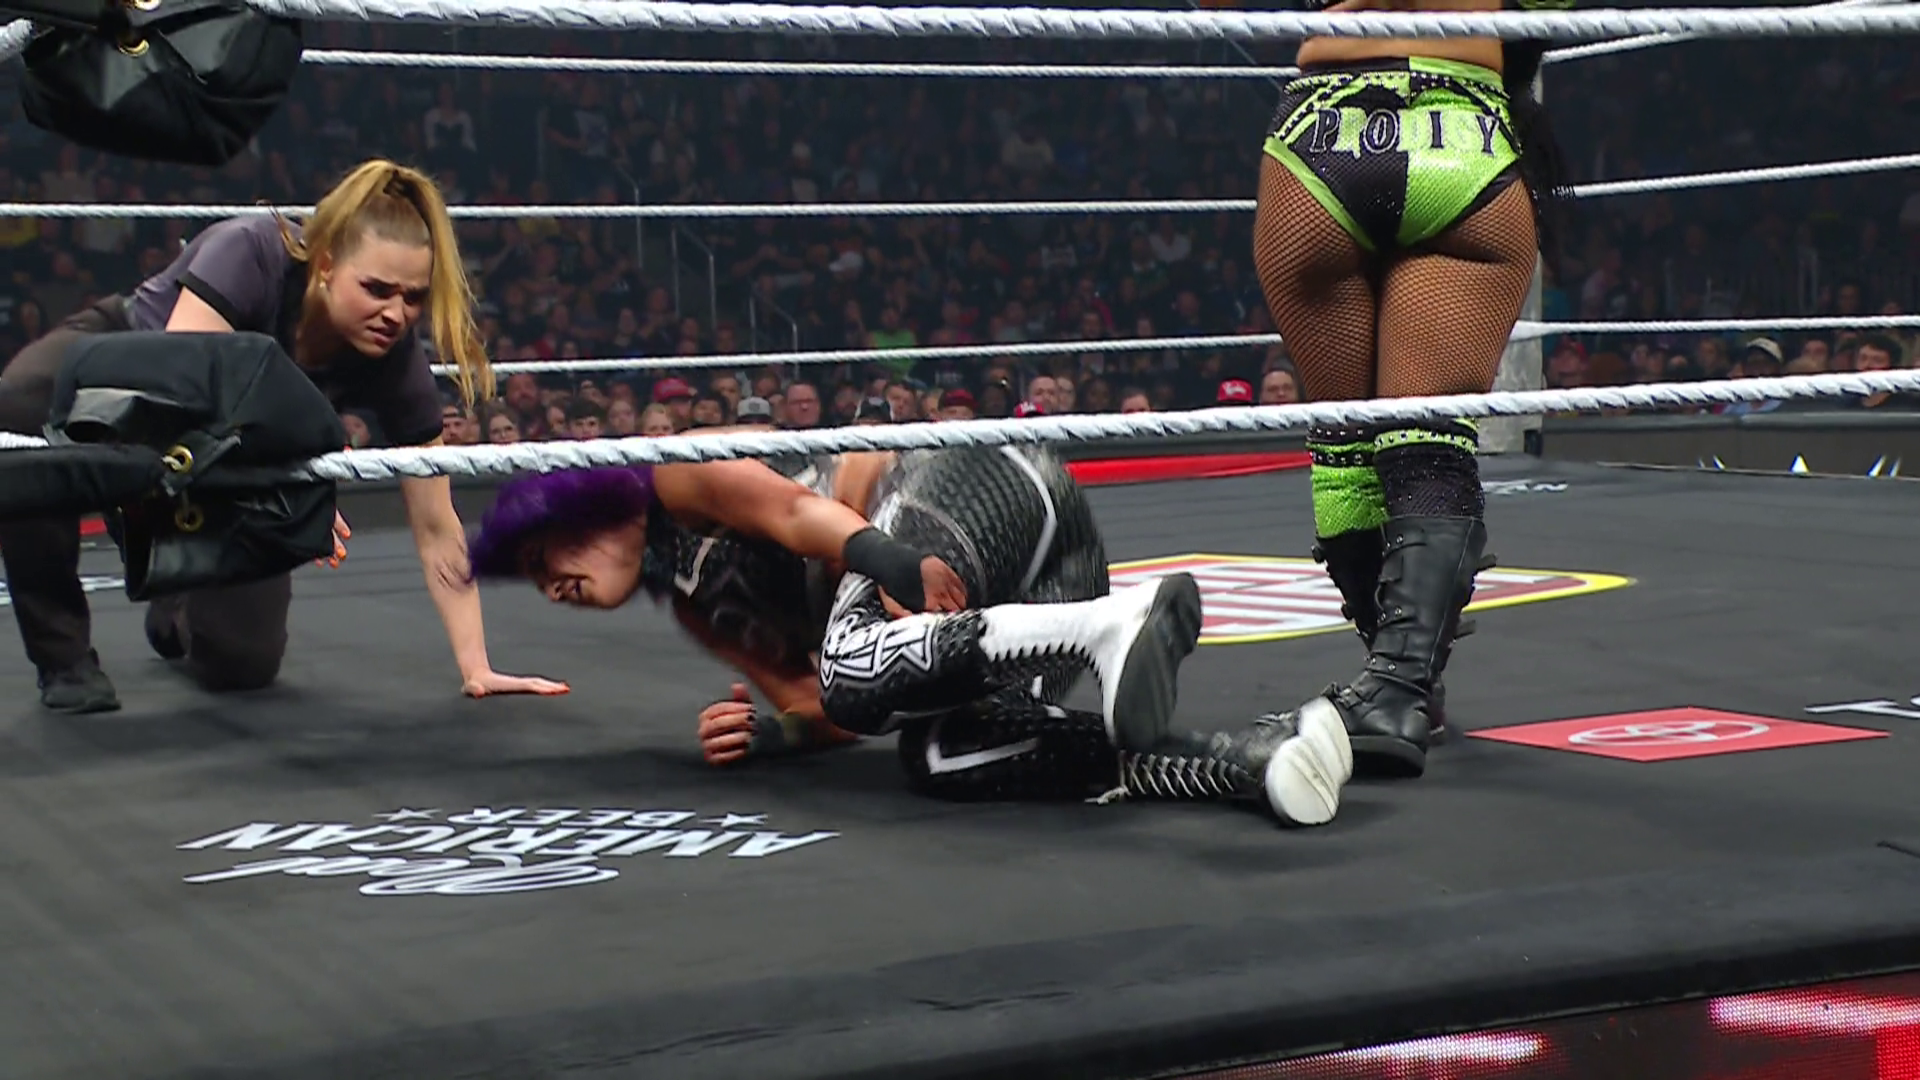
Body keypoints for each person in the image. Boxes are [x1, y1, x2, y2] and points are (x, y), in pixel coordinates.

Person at [468, 449, 1351, 826]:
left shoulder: (673, 477)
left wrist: (886, 559)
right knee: (949, 754)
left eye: (549, 554)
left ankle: (1112, 624)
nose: (552, 583)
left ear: (589, 508)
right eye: (535, 579)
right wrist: (773, 734)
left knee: (853, 660)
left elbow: (798, 508)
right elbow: (823, 709)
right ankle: (1257, 757)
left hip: (979, 486)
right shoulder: (701, 611)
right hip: (1045, 581)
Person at [0, 158, 566, 712]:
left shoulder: (393, 357)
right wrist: (289, 491)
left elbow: (437, 523)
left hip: (234, 449)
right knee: (20, 401)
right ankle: (64, 658)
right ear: (325, 265)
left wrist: (476, 665)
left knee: (243, 662)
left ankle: (175, 607)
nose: (396, 314)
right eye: (376, 289)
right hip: (137, 370)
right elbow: (181, 395)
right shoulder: (249, 251)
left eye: (412, 297)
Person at [1248, 0, 1566, 776]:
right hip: (1469, 132)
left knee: (1346, 441)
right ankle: (1399, 685)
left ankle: (1398, 684)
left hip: (1326, 131)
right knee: (1430, 444)